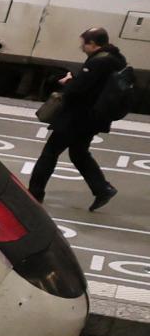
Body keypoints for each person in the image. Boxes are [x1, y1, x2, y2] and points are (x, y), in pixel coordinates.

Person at [30, 23, 127, 208]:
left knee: (50, 153)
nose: (82, 47)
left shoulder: (98, 61)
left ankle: (35, 193)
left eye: (84, 43)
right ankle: (102, 189)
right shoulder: (117, 58)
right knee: (79, 153)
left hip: (78, 117)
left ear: (92, 43)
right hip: (95, 117)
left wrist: (68, 81)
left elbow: (78, 91)